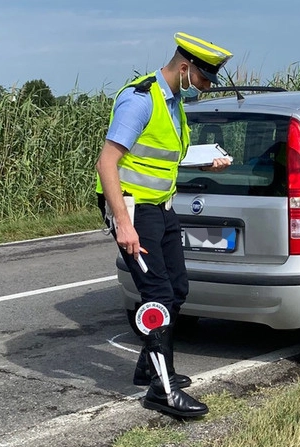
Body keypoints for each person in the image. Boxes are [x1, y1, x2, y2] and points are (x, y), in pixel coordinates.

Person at [95, 32, 233, 417]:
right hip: (133, 209)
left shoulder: (173, 104)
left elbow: (161, 157)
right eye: (204, 81)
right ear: (185, 69)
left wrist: (203, 163)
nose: (205, 89)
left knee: (177, 287)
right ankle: (163, 389)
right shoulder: (140, 100)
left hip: (161, 206)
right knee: (157, 293)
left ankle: (148, 364)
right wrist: (123, 225)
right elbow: (107, 163)